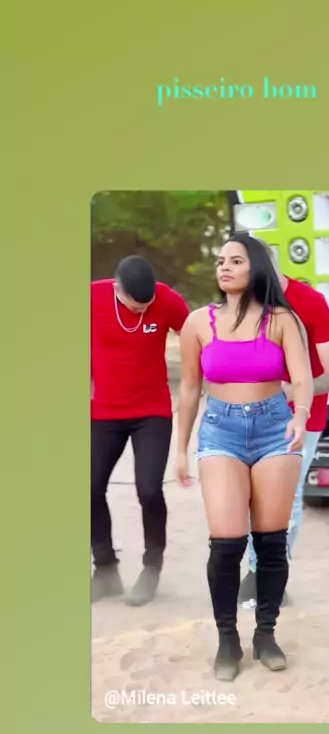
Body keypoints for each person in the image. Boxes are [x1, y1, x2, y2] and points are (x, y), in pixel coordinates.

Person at [176, 233, 313, 681]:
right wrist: (181, 448)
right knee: (226, 543)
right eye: (221, 260)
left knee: (270, 541)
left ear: (255, 267)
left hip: (275, 428)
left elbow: (302, 377)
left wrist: (301, 416)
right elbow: (190, 388)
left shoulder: (282, 320)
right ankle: (227, 639)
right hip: (221, 430)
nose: (225, 267)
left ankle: (266, 634)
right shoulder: (198, 322)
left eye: (235, 260)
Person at [239, 243, 329, 605]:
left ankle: (268, 572)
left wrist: (291, 389)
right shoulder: (245, 302)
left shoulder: (311, 302)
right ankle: (257, 568)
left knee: (285, 496)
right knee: (250, 495)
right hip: (251, 414)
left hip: (301, 418)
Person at [91, 255, 189, 606]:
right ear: (117, 289)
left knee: (148, 489)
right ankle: (105, 569)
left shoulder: (167, 300)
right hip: (104, 411)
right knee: (88, 487)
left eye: (147, 306)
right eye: (136, 306)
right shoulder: (91, 298)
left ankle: (151, 567)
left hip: (152, 412)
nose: (142, 311)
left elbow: (196, 335)